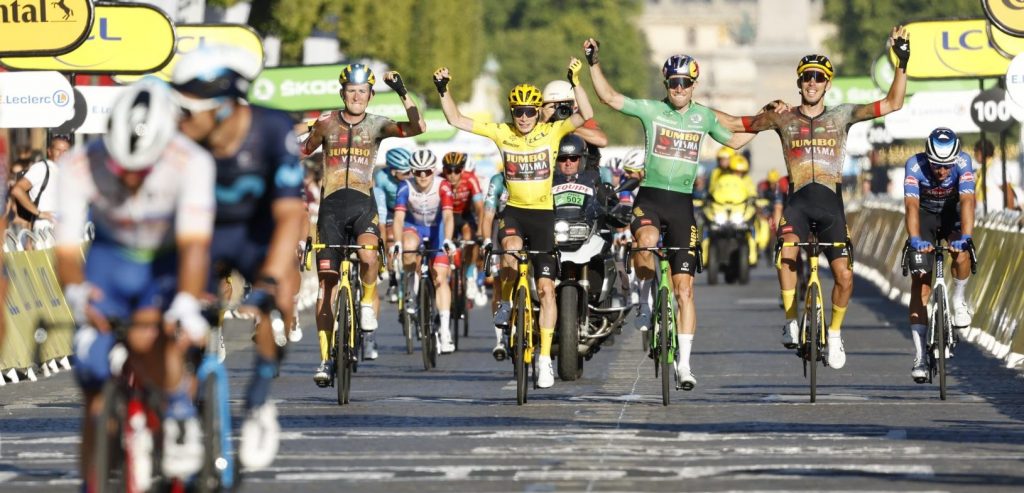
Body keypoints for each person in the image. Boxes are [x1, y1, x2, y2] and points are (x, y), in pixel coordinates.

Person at [55, 80, 215, 486]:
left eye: (140, 170)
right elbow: (66, 252)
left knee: (148, 339)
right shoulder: (78, 164)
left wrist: (183, 302)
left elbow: (195, 246)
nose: (128, 179)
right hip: (110, 263)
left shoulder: (192, 161)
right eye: (120, 167)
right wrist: (77, 295)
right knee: (92, 379)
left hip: (165, 262)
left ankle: (177, 408)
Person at [725, 26, 911, 369]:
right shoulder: (783, 116)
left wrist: (902, 62)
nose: (812, 83)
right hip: (796, 204)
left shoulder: (842, 115)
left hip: (830, 208)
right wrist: (695, 113)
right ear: (799, 83)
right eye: (807, 77)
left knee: (844, 276)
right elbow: (736, 130)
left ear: (828, 84)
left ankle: (836, 334)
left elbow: (893, 103)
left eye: (819, 78)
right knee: (786, 256)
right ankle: (792, 321)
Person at [585, 38, 762, 390]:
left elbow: (737, 141)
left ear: (694, 86)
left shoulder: (704, 116)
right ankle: (646, 304)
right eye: (673, 83)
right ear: (666, 85)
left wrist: (773, 122)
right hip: (650, 198)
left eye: (684, 83)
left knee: (685, 290)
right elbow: (610, 98)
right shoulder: (652, 110)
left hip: (683, 205)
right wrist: (593, 63)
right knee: (646, 245)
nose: (678, 89)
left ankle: (684, 364)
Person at [171, 46, 308, 469]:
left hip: (258, 231)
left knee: (280, 299)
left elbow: (291, 214)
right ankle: (181, 417)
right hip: (203, 231)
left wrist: (268, 281)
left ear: (224, 107)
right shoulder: (181, 137)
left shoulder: (271, 128)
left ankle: (260, 405)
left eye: (188, 110)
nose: (180, 119)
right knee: (179, 314)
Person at [434, 56, 594, 389]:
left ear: (539, 112)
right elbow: (456, 119)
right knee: (508, 249)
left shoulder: (552, 131)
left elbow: (587, 115)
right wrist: (442, 89)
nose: (523, 117)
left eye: (530, 111)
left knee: (547, 289)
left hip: (544, 215)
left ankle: (546, 359)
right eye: (518, 111)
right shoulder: (502, 132)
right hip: (516, 212)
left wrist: (576, 82)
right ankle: (506, 302)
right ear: (512, 113)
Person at [304, 63, 426, 378]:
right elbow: (303, 150)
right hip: (330, 209)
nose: (356, 96)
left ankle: (368, 300)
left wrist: (403, 93)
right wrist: (300, 131)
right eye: (351, 91)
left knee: (368, 254)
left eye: (362, 91)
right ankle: (324, 359)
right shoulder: (327, 122)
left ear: (370, 95)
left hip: (362, 206)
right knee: (326, 285)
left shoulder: (377, 124)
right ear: (342, 92)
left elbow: (418, 128)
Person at [904, 128, 976, 382]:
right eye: (936, 166)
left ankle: (958, 299)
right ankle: (920, 355)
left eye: (946, 167)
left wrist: (966, 237)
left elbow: (968, 201)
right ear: (928, 157)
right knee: (920, 280)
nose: (942, 172)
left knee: (962, 253)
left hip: (951, 217)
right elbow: (911, 205)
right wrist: (915, 240)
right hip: (924, 217)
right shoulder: (914, 166)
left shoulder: (964, 162)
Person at [392, 150, 457, 353]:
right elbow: (399, 219)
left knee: (441, 278)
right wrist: (397, 242)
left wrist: (447, 239)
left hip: (437, 229)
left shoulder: (443, 186)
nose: (422, 176)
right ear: (412, 171)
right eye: (417, 172)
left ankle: (445, 332)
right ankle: (411, 286)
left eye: (427, 171)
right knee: (409, 246)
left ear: (433, 171)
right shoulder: (405, 186)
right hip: (414, 228)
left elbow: (447, 216)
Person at [441, 151, 486, 306]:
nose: (452, 175)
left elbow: (480, 207)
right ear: (444, 170)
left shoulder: (470, 179)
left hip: (464, 215)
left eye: (457, 170)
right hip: (445, 216)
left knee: (471, 240)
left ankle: (469, 274)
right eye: (449, 170)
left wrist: (480, 230)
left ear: (462, 170)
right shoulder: (440, 180)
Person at [542, 79, 608, 173]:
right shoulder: (541, 125)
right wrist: (543, 121)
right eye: (553, 106)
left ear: (574, 105)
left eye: (564, 105)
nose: (559, 110)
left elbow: (602, 141)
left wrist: (566, 127)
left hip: (585, 177)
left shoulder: (581, 121)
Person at [374, 147, 414, 303]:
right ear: (392, 172)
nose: (410, 175)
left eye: (411, 170)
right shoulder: (381, 177)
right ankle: (392, 277)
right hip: (390, 210)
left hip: (409, 209)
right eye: (405, 172)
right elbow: (380, 203)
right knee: (390, 238)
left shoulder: (412, 177)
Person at [10, 135, 70, 237]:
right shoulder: (41, 168)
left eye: (65, 151)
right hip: (44, 229)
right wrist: (39, 213)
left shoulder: (68, 171)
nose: (62, 154)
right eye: (58, 150)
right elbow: (17, 190)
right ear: (49, 151)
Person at [480, 170, 510, 360]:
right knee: (498, 284)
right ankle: (499, 339)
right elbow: (488, 214)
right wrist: (485, 240)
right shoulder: (498, 180)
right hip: (500, 232)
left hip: (526, 231)